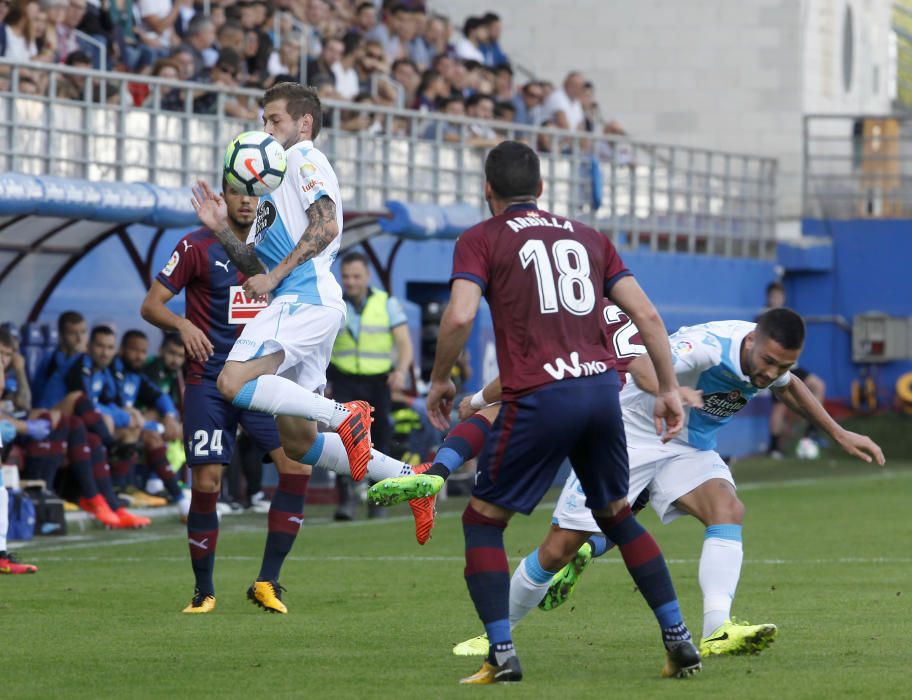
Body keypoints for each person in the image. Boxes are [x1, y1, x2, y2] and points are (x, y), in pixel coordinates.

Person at [374, 141, 700, 684]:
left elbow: (457, 316)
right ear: (542, 189)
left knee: (482, 521)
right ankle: (678, 637)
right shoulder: (591, 238)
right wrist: (668, 387)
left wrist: (438, 378)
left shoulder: (481, 237)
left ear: (487, 190)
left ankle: (501, 653)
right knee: (616, 515)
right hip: (599, 392)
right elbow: (645, 313)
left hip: (540, 397)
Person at [441, 311, 885, 659]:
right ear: (751, 342)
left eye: (782, 365)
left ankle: (717, 628)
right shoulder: (709, 347)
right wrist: (673, 391)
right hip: (629, 434)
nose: (770, 373)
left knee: (727, 510)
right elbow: (639, 367)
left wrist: (839, 433)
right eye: (767, 362)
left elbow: (791, 389)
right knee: (557, 547)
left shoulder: (770, 359)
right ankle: (493, 634)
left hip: (688, 445)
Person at [142, 179, 294, 614]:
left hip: (260, 378)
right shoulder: (195, 246)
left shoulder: (278, 245)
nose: (246, 200)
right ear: (223, 197)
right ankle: (203, 591)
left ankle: (268, 581)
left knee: (295, 465)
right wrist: (182, 325)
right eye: (237, 191)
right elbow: (151, 305)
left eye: (254, 192)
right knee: (207, 483)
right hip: (208, 379)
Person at [328, 251, 414, 522]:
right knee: (344, 442)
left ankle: (378, 500)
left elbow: (404, 342)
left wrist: (400, 371)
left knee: (380, 441)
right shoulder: (334, 302)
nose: (350, 282)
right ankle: (347, 502)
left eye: (356, 276)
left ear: (367, 277)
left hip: (378, 383)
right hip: (342, 380)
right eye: (346, 277)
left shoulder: (386, 303)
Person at [762, 282, 827, 458]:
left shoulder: (787, 315)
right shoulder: (765, 318)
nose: (777, 299)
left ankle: (811, 431)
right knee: (780, 406)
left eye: (780, 295)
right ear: (768, 298)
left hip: (792, 366)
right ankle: (774, 447)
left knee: (818, 385)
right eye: (774, 296)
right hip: (775, 367)